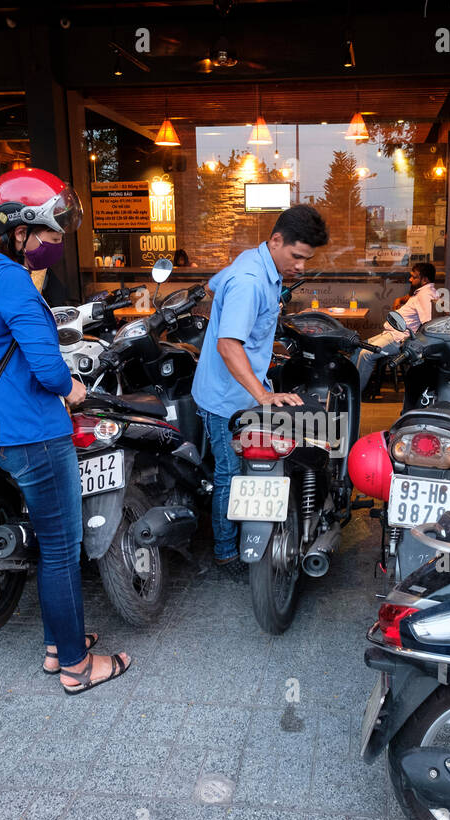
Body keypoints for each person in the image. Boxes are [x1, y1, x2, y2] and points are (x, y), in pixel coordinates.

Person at [0, 168, 131, 695]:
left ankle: (58, 645)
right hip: (33, 429)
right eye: (51, 233)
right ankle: (77, 669)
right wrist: (74, 390)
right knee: (62, 548)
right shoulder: (10, 279)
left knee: (48, 542)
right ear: (20, 230)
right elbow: (48, 368)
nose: (57, 244)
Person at [191, 204, 328, 580]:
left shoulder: (253, 263)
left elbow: (212, 285)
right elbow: (228, 345)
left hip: (245, 391)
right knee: (230, 474)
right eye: (296, 257)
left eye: (307, 259)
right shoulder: (250, 280)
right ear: (277, 240)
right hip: (225, 398)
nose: (300, 266)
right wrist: (264, 396)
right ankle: (224, 552)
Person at [354, 262, 439, 394]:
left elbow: (427, 323)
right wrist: (399, 300)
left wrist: (411, 342)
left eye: (414, 277)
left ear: (425, 280)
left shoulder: (425, 295)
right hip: (391, 334)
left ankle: (354, 394)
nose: (410, 279)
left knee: (366, 355)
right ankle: (353, 384)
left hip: (398, 339)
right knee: (358, 347)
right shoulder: (423, 292)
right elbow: (411, 300)